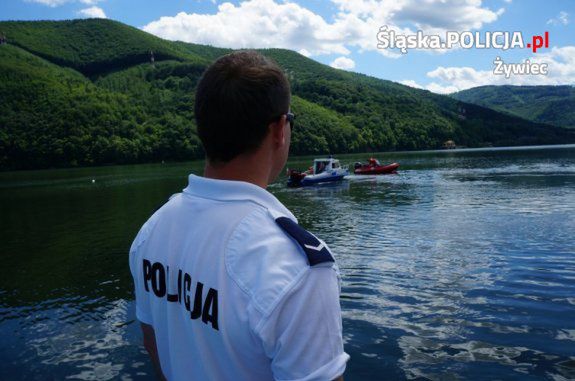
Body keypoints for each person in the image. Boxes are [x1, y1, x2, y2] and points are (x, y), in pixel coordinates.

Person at [129, 50, 349, 381]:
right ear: (278, 130)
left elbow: (153, 342)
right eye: (290, 120)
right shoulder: (294, 269)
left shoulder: (152, 231)